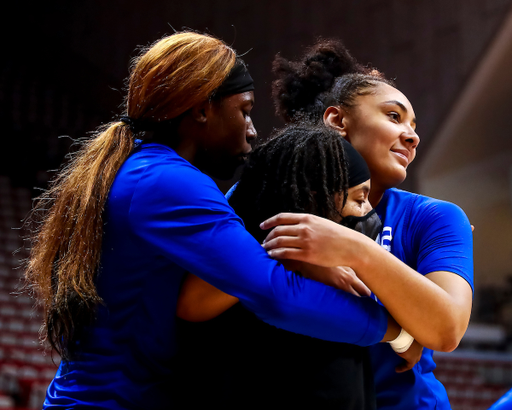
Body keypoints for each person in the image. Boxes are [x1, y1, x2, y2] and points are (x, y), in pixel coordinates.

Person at [24, 32, 403, 409]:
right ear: (203, 109)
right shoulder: (168, 182)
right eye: (245, 110)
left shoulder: (136, 169)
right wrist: (395, 332)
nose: (252, 131)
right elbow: (273, 294)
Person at [260, 39, 474, 410]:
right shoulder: (269, 201)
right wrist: (398, 330)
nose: (412, 135)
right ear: (337, 120)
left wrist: (354, 249)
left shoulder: (437, 216)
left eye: (414, 125)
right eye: (394, 117)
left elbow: (446, 328)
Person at [176, 123, 383, 409]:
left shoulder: (347, 270)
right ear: (315, 199)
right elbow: (191, 305)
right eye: (360, 199)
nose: (369, 214)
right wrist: (292, 257)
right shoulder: (242, 258)